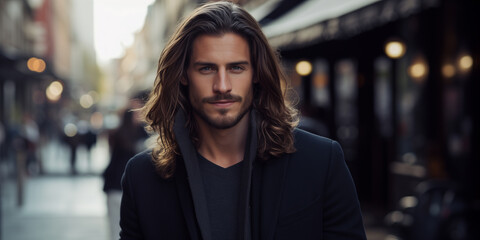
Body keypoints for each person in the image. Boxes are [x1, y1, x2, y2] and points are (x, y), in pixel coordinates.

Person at [120, 1, 366, 239]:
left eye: (236, 68)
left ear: (256, 73)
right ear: (184, 75)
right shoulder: (142, 178)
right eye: (206, 68)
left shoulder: (320, 162)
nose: (222, 86)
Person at [104, 99, 149, 240]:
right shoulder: (123, 135)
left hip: (124, 187)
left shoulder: (138, 134)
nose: (141, 115)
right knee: (117, 230)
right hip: (117, 187)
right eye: (137, 113)